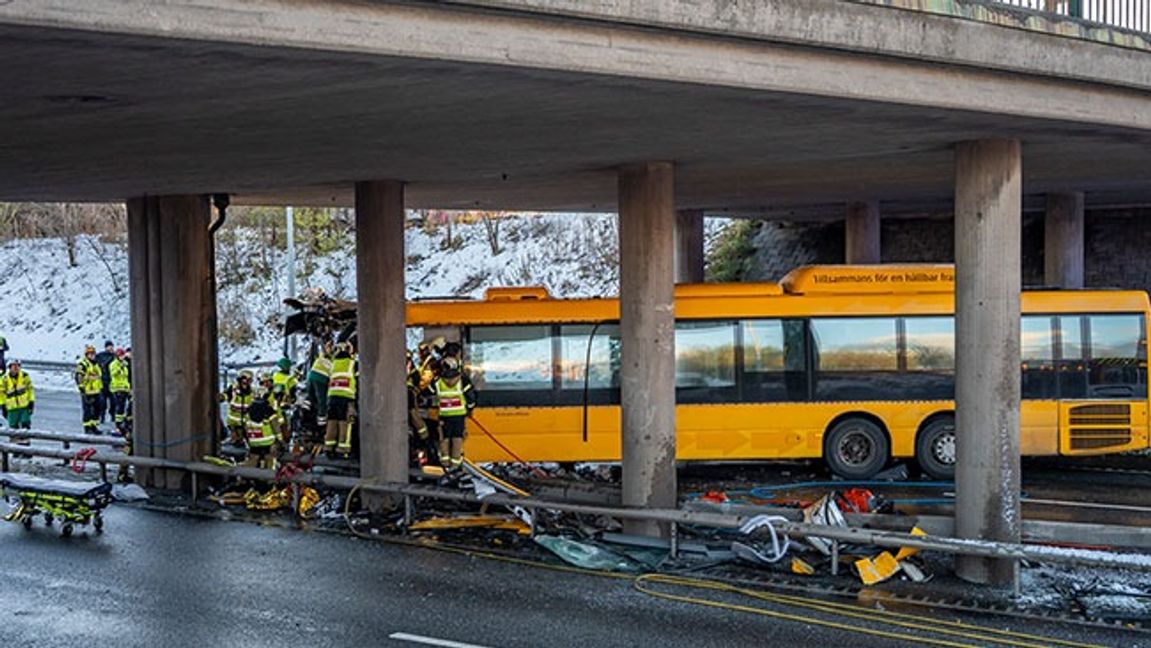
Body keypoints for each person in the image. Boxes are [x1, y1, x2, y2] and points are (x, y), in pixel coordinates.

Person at [432, 356, 476, 471]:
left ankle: (444, 466)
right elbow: (470, 396)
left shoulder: (438, 381)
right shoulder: (463, 380)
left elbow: (429, 393)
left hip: (444, 416)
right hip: (459, 416)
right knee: (457, 439)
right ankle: (455, 466)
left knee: (444, 439)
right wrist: (470, 409)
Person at [324, 342, 357, 458]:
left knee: (332, 422)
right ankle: (342, 450)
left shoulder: (333, 363)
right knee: (345, 424)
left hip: (332, 398)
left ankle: (328, 448)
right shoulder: (352, 364)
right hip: (346, 399)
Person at [244, 386, 282, 470]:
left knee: (252, 461)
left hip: (254, 442)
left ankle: (246, 478)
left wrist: (249, 441)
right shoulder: (269, 410)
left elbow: (245, 428)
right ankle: (270, 481)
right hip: (268, 443)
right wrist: (280, 440)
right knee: (270, 461)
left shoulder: (248, 411)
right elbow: (275, 426)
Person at [0, 360, 34, 447]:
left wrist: (31, 401)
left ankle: (26, 448)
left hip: (24, 406)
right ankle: (15, 448)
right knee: (13, 428)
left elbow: (30, 390)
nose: (16, 368)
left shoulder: (25, 376)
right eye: (13, 366)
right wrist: (3, 405)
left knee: (25, 426)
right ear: (9, 368)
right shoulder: (4, 379)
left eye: (17, 366)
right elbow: (1, 393)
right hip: (11, 408)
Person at [75, 345, 104, 435]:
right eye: (90, 354)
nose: (92, 356)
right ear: (86, 355)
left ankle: (94, 426)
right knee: (87, 410)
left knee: (97, 410)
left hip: (96, 390)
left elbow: (99, 376)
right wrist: (81, 388)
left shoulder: (96, 364)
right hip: (87, 391)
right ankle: (87, 428)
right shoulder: (83, 364)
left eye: (93, 354)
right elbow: (78, 376)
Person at [221, 369, 255, 445]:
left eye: (250, 380)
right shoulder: (233, 389)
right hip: (233, 423)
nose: (247, 382)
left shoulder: (252, 392)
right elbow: (225, 395)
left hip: (246, 424)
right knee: (235, 441)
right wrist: (221, 397)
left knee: (249, 442)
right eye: (246, 379)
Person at [307, 339, 334, 430]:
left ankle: (306, 409)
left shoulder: (322, 356)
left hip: (312, 374)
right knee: (322, 400)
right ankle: (322, 422)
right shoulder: (334, 360)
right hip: (321, 378)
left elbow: (325, 349)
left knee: (310, 396)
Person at [108, 348, 131, 434]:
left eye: (123, 355)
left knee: (123, 407)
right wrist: (120, 367)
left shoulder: (125, 364)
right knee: (119, 408)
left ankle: (122, 425)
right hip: (117, 388)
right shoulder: (114, 364)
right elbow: (113, 373)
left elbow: (126, 377)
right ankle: (118, 425)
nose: (122, 357)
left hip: (124, 388)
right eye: (121, 356)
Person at [94, 340, 116, 424]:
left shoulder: (115, 356)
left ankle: (112, 416)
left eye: (111, 346)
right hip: (102, 382)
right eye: (109, 346)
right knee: (102, 402)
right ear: (106, 347)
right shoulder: (100, 356)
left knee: (113, 401)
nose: (110, 348)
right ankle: (102, 416)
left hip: (112, 382)